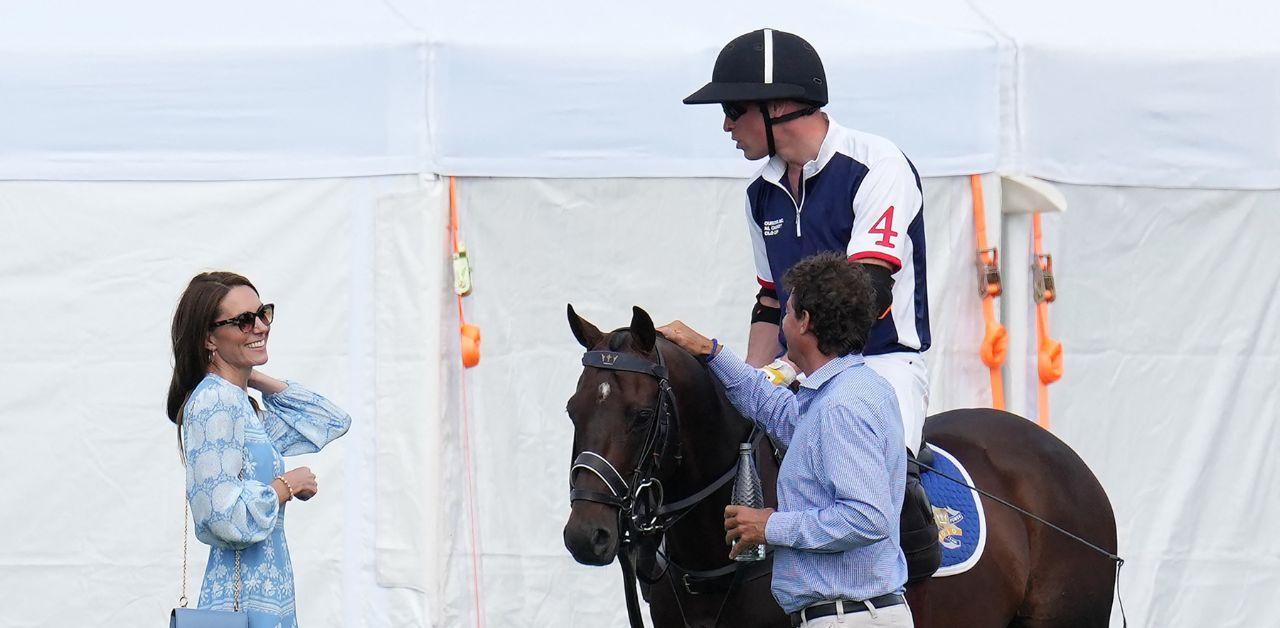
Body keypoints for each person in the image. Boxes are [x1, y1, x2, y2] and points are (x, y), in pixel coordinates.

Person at [684, 28, 938, 579]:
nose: (726, 124)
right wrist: (750, 380)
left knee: (894, 489)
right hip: (800, 364)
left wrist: (790, 371)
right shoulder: (759, 194)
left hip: (882, 362)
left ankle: (912, 587)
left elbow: (866, 293)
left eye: (733, 109)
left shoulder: (877, 165)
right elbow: (771, 301)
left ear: (778, 107)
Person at [659, 252, 912, 627]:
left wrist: (769, 526)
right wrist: (711, 352)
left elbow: (867, 517)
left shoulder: (841, 405)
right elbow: (774, 409)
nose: (783, 322)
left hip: (848, 619)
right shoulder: (845, 391)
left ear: (805, 322)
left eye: (788, 311)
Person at [166, 271, 351, 628]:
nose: (261, 326)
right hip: (241, 601)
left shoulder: (240, 404)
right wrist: (286, 486)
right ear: (209, 338)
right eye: (243, 320)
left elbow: (332, 421)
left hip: (267, 595)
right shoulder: (215, 403)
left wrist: (253, 377)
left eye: (262, 313)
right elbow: (220, 518)